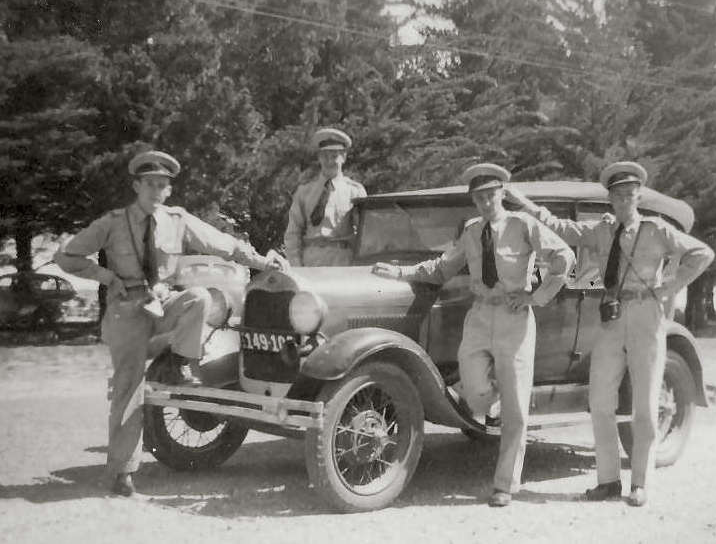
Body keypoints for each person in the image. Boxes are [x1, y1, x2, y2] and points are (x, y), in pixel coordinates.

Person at [54, 150, 287, 498]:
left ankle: (180, 363)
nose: (155, 190)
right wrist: (106, 276)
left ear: (168, 191)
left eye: (162, 185)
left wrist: (263, 262)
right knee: (129, 390)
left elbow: (224, 245)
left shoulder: (178, 220)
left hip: (162, 305)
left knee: (199, 297)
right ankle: (122, 472)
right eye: (149, 184)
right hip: (128, 312)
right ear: (136, 186)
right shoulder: (113, 222)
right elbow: (67, 256)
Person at [505, 161, 714, 507]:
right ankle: (608, 481)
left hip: (646, 315)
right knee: (600, 401)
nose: (623, 199)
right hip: (611, 317)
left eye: (630, 193)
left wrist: (670, 286)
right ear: (611, 198)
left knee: (645, 404)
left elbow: (702, 254)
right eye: (617, 194)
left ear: (638, 195)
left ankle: (640, 484)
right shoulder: (601, 230)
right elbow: (560, 226)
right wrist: (525, 203)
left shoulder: (656, 229)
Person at [372, 163, 575, 507]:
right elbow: (441, 268)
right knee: (473, 389)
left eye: (490, 194)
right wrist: (400, 272)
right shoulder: (470, 230)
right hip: (479, 315)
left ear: (502, 194)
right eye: (478, 196)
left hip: (515, 319)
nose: (485, 201)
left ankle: (505, 485)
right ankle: (491, 401)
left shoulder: (523, 224)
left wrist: (535, 297)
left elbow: (564, 258)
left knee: (516, 411)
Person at [283, 128, 367, 266]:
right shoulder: (304, 191)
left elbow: (364, 234)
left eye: (334, 156)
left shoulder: (355, 192)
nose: (329, 161)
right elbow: (293, 232)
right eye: (325, 156)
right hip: (311, 259)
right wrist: (296, 265)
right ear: (319, 158)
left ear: (343, 157)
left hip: (343, 260)